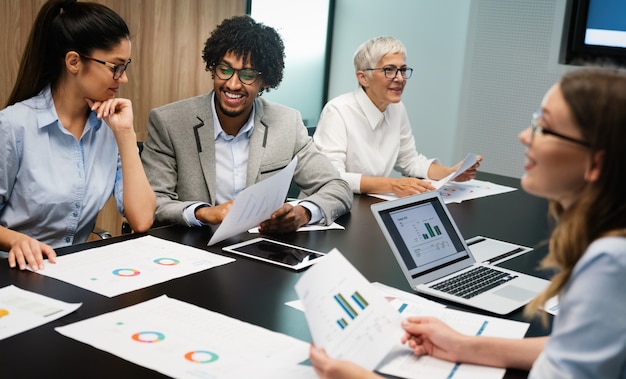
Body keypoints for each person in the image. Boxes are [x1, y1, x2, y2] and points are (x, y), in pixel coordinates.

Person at [309, 67, 626, 378]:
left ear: (595, 163)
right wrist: (462, 345)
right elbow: (566, 350)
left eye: (544, 127)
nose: (525, 136)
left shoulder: (610, 265)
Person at [141, 15, 352, 233]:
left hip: (261, 250)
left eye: (248, 75)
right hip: (193, 250)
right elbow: (152, 202)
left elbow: (338, 188)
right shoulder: (169, 122)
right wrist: (204, 213)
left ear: (265, 80)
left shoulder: (287, 123)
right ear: (213, 69)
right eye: (225, 70)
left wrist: (303, 213)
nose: (233, 84)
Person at [0, 0, 156, 271]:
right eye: (115, 67)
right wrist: (16, 241)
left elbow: (142, 219)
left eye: (125, 66)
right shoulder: (14, 125)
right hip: (15, 277)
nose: (123, 78)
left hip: (76, 274)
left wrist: (126, 135)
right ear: (74, 62)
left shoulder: (109, 128)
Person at [313, 36, 482, 197]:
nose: (400, 78)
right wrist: (392, 185)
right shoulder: (338, 110)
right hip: (330, 208)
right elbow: (333, 177)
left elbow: (410, 161)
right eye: (389, 70)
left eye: (402, 70)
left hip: (368, 204)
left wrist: (450, 173)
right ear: (363, 78)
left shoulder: (396, 108)